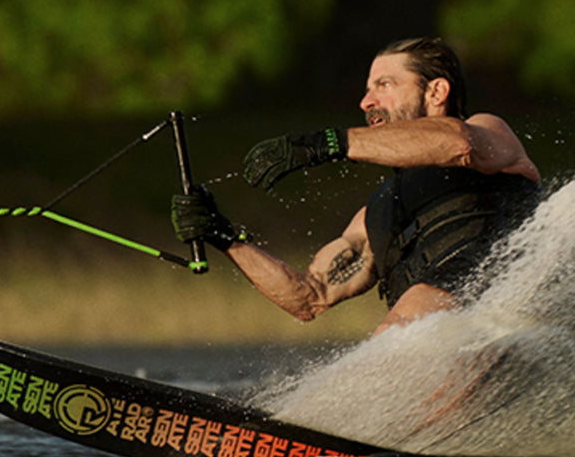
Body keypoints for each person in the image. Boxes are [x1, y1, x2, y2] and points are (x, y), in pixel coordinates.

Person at [171, 37, 541, 335]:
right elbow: (310, 295)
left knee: (410, 316)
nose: (366, 102)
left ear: (435, 92)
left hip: (508, 321)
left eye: (385, 85)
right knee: (401, 326)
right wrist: (224, 236)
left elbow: (456, 143)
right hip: (432, 354)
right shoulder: (377, 214)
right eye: (367, 90)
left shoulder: (488, 132)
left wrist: (328, 143)